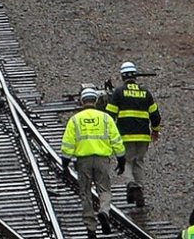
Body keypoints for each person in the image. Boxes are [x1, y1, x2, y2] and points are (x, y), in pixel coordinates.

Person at [61, 88, 126, 239]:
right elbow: (116, 140)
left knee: (85, 193)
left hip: (83, 161)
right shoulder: (105, 118)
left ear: (82, 101)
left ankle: (91, 227)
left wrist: (65, 163)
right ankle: (104, 211)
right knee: (104, 190)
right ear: (96, 101)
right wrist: (121, 159)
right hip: (102, 159)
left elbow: (68, 144)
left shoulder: (75, 120)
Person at [105, 61, 162, 207]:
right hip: (143, 136)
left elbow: (110, 115)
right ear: (135, 76)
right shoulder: (146, 93)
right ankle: (140, 190)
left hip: (125, 135)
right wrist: (155, 130)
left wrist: (108, 134)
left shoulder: (118, 93)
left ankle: (131, 183)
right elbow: (155, 115)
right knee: (139, 162)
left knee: (126, 161)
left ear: (123, 76)